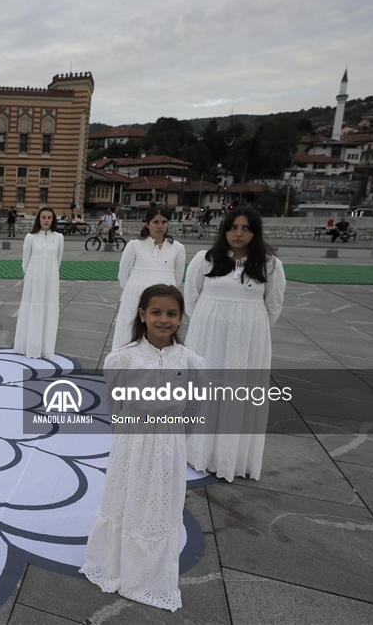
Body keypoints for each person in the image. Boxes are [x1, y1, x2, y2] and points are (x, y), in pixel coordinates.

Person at [81, 284, 204, 612]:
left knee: (160, 503)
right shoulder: (122, 358)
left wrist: (172, 436)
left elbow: (194, 408)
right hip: (131, 443)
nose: (164, 319)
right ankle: (114, 563)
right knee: (126, 496)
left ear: (181, 317)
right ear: (142, 314)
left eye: (172, 313)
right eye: (156, 312)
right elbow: (115, 405)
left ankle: (148, 573)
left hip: (169, 445)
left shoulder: (191, 361)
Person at [184, 207, 285, 481]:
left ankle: (230, 457)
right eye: (233, 227)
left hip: (246, 343)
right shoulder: (204, 260)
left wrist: (246, 328)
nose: (238, 234)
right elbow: (191, 300)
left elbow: (273, 308)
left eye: (246, 228)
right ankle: (197, 451)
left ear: (255, 232)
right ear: (224, 230)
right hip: (208, 339)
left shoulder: (270, 265)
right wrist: (212, 323)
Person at [111, 208, 187, 351]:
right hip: (135, 299)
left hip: (163, 300)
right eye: (156, 222)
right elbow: (123, 275)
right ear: (147, 224)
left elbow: (177, 277)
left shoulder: (177, 248)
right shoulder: (135, 245)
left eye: (164, 222)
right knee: (130, 334)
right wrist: (135, 291)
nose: (160, 226)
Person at [14, 207, 64, 359]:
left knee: (48, 307)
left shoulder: (59, 237)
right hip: (34, 277)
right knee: (33, 307)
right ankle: (29, 346)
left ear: (53, 219)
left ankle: (45, 348)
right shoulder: (30, 237)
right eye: (43, 217)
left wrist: (50, 274)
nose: (46, 220)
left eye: (49, 217)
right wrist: (30, 275)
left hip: (51, 277)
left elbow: (58, 260)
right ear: (39, 219)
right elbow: (25, 260)